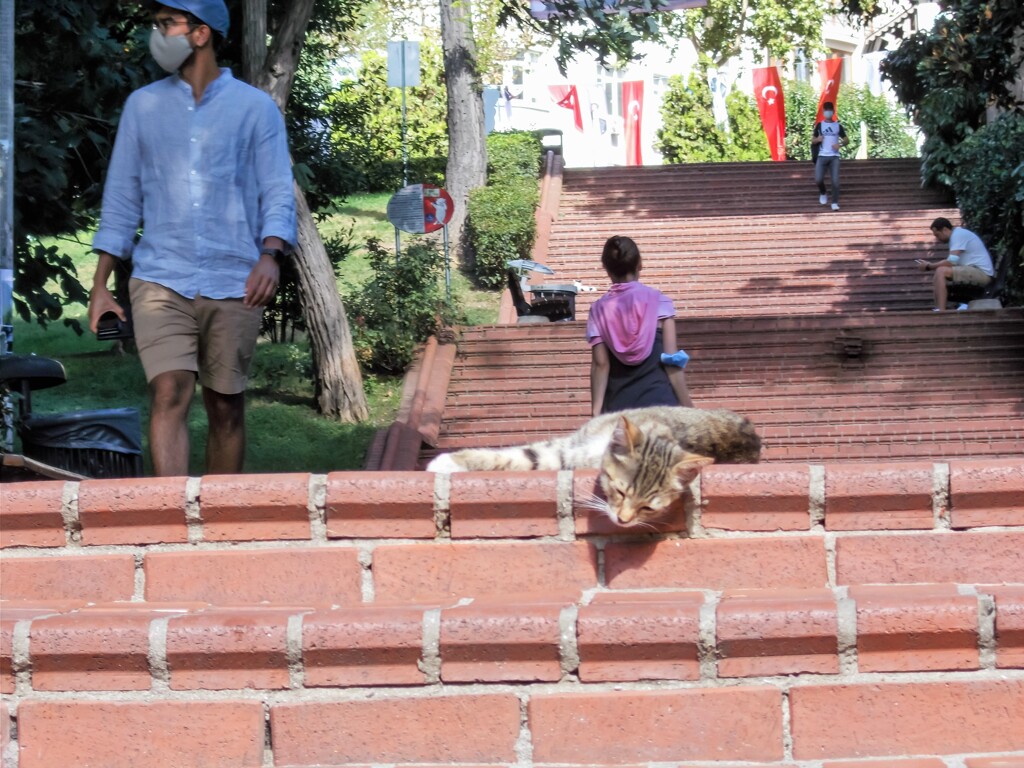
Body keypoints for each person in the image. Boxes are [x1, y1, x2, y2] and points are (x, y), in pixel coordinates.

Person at [88, 0, 297, 476]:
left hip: (236, 277)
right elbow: (121, 200)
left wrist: (271, 255)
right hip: (161, 277)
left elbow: (276, 192)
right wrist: (101, 285)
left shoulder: (255, 109)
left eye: (167, 24)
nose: (157, 35)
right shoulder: (143, 107)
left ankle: (217, 528)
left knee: (225, 406)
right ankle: (172, 522)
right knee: (168, 391)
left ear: (200, 34)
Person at [587, 236, 693, 417]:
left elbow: (601, 364)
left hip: (619, 411)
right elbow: (672, 363)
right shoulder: (659, 302)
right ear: (639, 264)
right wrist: (688, 406)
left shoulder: (598, 310)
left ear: (607, 269)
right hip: (662, 406)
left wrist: (596, 412)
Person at [916, 217, 994, 311]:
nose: (938, 239)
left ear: (945, 229)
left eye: (937, 235)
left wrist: (929, 266)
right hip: (975, 271)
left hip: (982, 273)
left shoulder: (958, 235)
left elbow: (951, 261)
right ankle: (938, 308)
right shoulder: (956, 236)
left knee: (941, 271)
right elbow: (952, 262)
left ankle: (941, 310)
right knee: (939, 272)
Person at [811, 101, 848, 211]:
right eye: (826, 110)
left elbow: (846, 139)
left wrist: (839, 144)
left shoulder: (838, 126)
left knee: (835, 181)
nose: (828, 112)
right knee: (818, 179)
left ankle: (835, 202)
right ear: (823, 112)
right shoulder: (820, 125)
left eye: (830, 110)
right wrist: (818, 139)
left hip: (834, 157)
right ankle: (823, 192)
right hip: (822, 156)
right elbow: (812, 140)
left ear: (833, 112)